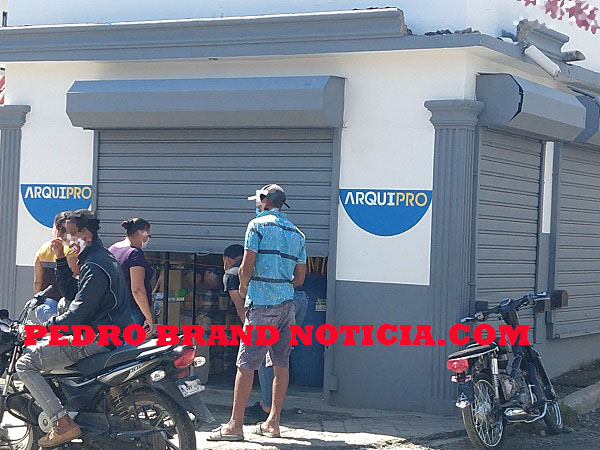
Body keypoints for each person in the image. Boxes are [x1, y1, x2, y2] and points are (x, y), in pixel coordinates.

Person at [16, 210, 136, 448]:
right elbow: (73, 294)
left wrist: (45, 328)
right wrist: (61, 260)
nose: (65, 239)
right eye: (63, 234)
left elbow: (78, 314)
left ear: (86, 235)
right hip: (108, 333)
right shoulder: (98, 258)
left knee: (25, 364)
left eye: (70, 234)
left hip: (96, 337)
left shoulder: (95, 266)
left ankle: (62, 423)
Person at [208, 184, 306, 442]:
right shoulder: (297, 233)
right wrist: (281, 283)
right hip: (287, 305)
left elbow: (247, 265)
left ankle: (234, 426)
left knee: (246, 364)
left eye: (257, 200)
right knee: (281, 363)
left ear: (264, 200)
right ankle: (273, 422)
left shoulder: (257, 226)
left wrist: (243, 288)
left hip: (262, 304)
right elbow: (300, 278)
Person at [245, 289, 309, 423]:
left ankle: (267, 407)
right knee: (281, 357)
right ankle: (274, 412)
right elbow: (299, 279)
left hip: (275, 300)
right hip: (300, 298)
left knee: (266, 356)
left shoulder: (232, 278)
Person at [109, 218, 154, 338]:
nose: (148, 239)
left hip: (112, 311)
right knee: (131, 348)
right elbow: (137, 289)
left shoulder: (112, 249)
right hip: (132, 312)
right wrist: (148, 317)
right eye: (148, 235)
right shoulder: (134, 253)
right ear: (141, 233)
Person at [32, 212, 79, 324]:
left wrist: (37, 300)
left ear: (56, 227)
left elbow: (38, 281)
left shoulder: (43, 249)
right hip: (60, 306)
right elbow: (74, 278)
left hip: (43, 305)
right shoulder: (71, 250)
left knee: (47, 333)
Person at [222, 244, 245, 322]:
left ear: (227, 259)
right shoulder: (256, 268)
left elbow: (240, 306)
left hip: (255, 318)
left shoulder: (231, 275)